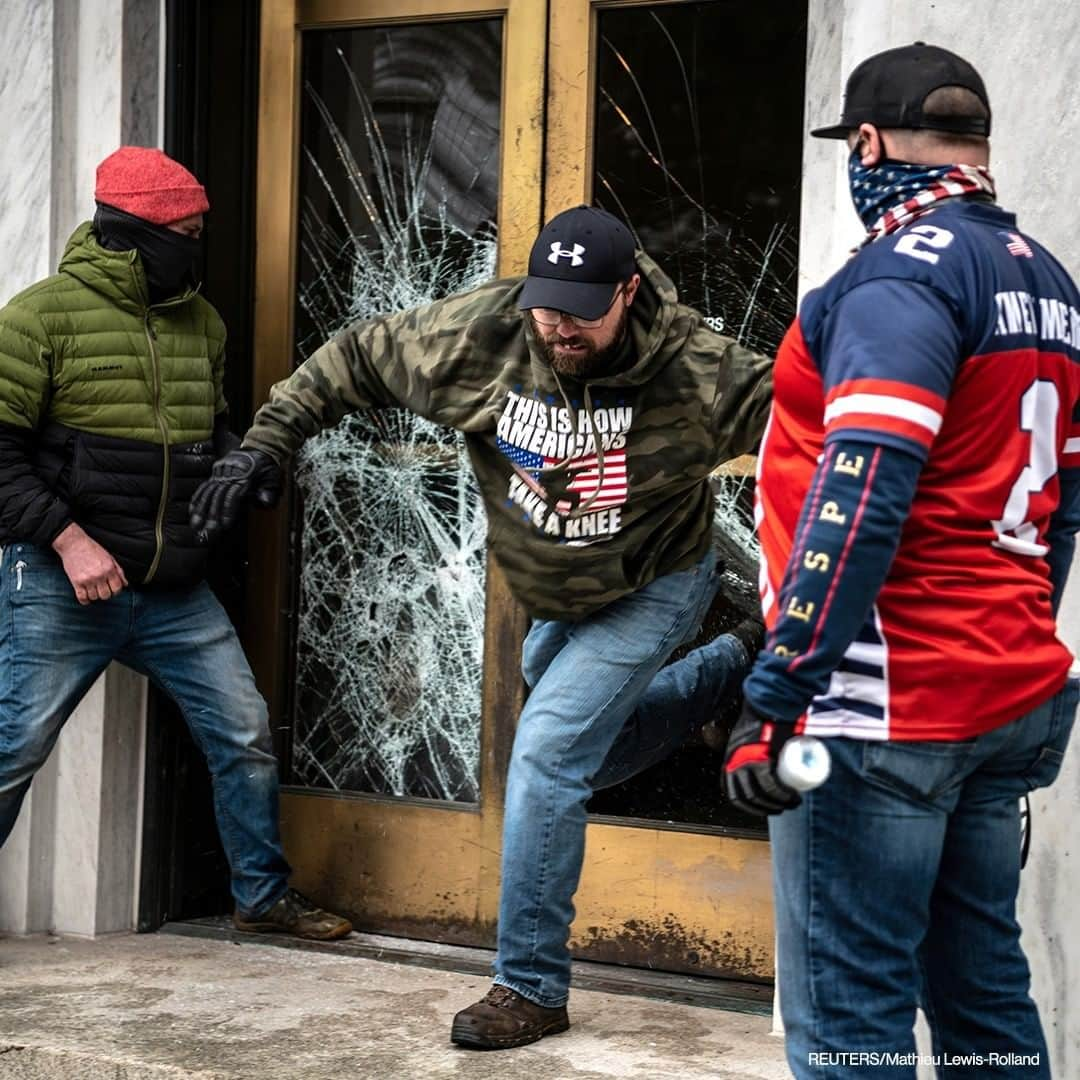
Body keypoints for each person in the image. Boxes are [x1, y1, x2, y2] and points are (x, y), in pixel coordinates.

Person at [189, 204, 773, 1049]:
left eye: (581, 308)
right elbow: (354, 355)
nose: (557, 324)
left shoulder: (700, 369)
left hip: (655, 583)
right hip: (553, 591)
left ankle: (529, 987)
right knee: (591, 754)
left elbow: (819, 433)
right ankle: (732, 663)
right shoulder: (481, 336)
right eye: (546, 303)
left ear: (630, 292)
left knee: (542, 757)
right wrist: (265, 446)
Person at [722, 43, 1080, 1078]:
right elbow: (1064, 507)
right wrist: (1006, 634)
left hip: (880, 712)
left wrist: (779, 691)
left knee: (851, 1024)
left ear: (868, 144)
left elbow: (864, 487)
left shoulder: (894, 280)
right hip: (999, 694)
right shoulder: (1048, 285)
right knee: (982, 997)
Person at [0, 146, 351, 943]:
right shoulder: (38, 318)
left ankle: (260, 898)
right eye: (184, 232)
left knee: (245, 734)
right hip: (65, 580)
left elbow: (205, 427)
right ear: (130, 232)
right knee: (11, 748)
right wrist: (68, 540)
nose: (195, 245)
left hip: (172, 589)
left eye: (200, 231)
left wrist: (241, 466)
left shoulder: (203, 321)